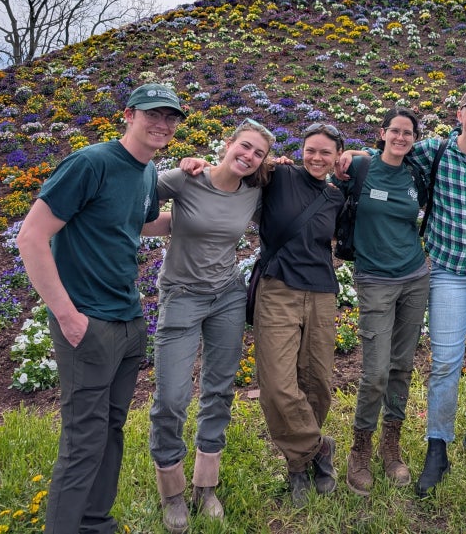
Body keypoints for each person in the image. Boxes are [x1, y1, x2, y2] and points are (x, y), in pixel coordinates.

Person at [16, 83, 186, 534]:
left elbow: (144, 223)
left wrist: (215, 208)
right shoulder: (90, 163)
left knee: (110, 432)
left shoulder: (147, 172)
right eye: (153, 114)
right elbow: (31, 237)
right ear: (128, 114)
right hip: (88, 323)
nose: (162, 124)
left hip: (129, 320)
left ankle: (96, 524)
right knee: (83, 440)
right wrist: (68, 317)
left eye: (171, 118)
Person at [340, 86, 466, 497]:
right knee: (444, 361)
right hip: (447, 267)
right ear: (459, 114)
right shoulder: (431, 151)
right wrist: (349, 157)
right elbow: (385, 156)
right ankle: (437, 444)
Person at [182, 123, 345, 508]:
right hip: (278, 288)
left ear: (337, 156)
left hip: (321, 292)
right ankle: (316, 450)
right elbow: (234, 168)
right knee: (277, 384)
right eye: (311, 150)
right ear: (300, 150)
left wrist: (362, 158)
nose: (317, 158)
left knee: (317, 382)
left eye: (326, 152)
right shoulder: (279, 175)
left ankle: (298, 465)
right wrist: (198, 164)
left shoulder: (337, 196)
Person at [142, 120, 274, 533]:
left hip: (228, 297)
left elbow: (302, 176)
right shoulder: (185, 179)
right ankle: (172, 491)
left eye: (258, 154)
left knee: (219, 390)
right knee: (172, 397)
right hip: (181, 297)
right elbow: (136, 187)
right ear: (228, 143)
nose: (249, 157)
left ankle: (206, 484)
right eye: (245, 146)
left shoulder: (253, 192)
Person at [337, 108, 429, 496]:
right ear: (383, 132)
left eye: (408, 133)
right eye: (396, 130)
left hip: (415, 276)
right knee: (374, 371)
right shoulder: (360, 167)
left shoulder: (416, 175)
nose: (401, 137)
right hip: (374, 279)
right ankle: (359, 448)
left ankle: (391, 443)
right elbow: (319, 178)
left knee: (402, 366)